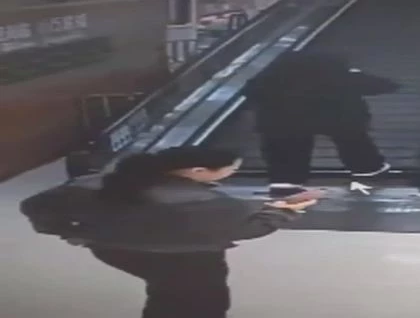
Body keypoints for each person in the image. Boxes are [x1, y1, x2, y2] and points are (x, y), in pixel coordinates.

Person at [83, 146, 315, 318]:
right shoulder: (203, 201)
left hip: (117, 250)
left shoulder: (123, 182)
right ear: (199, 170)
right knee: (204, 301)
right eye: (230, 169)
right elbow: (247, 228)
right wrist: (283, 210)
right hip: (185, 257)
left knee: (166, 293)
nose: (232, 172)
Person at [244, 51, 400, 196]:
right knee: (352, 140)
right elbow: (388, 86)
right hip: (337, 117)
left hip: (282, 119)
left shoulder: (271, 77)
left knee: (285, 147)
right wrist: (355, 74)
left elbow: (249, 91)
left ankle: (285, 181)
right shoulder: (340, 75)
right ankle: (368, 169)